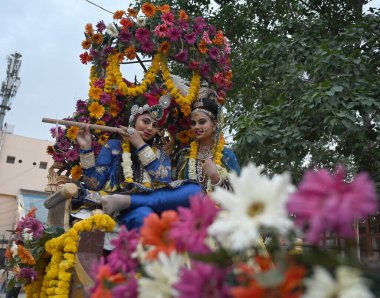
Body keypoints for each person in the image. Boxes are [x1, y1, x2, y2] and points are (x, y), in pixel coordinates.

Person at [76, 94, 201, 230]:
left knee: (195, 190)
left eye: (154, 125)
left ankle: (129, 201)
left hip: (154, 204)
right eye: (145, 121)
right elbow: (93, 184)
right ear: (133, 121)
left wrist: (140, 144)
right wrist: (86, 149)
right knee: (145, 216)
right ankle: (124, 201)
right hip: (126, 209)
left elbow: (163, 180)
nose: (149, 128)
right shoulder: (114, 146)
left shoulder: (161, 155)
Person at [175, 97, 241, 192]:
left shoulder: (227, 155)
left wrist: (215, 177)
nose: (196, 127)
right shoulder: (185, 155)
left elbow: (238, 194)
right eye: (193, 123)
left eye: (202, 122)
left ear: (214, 125)